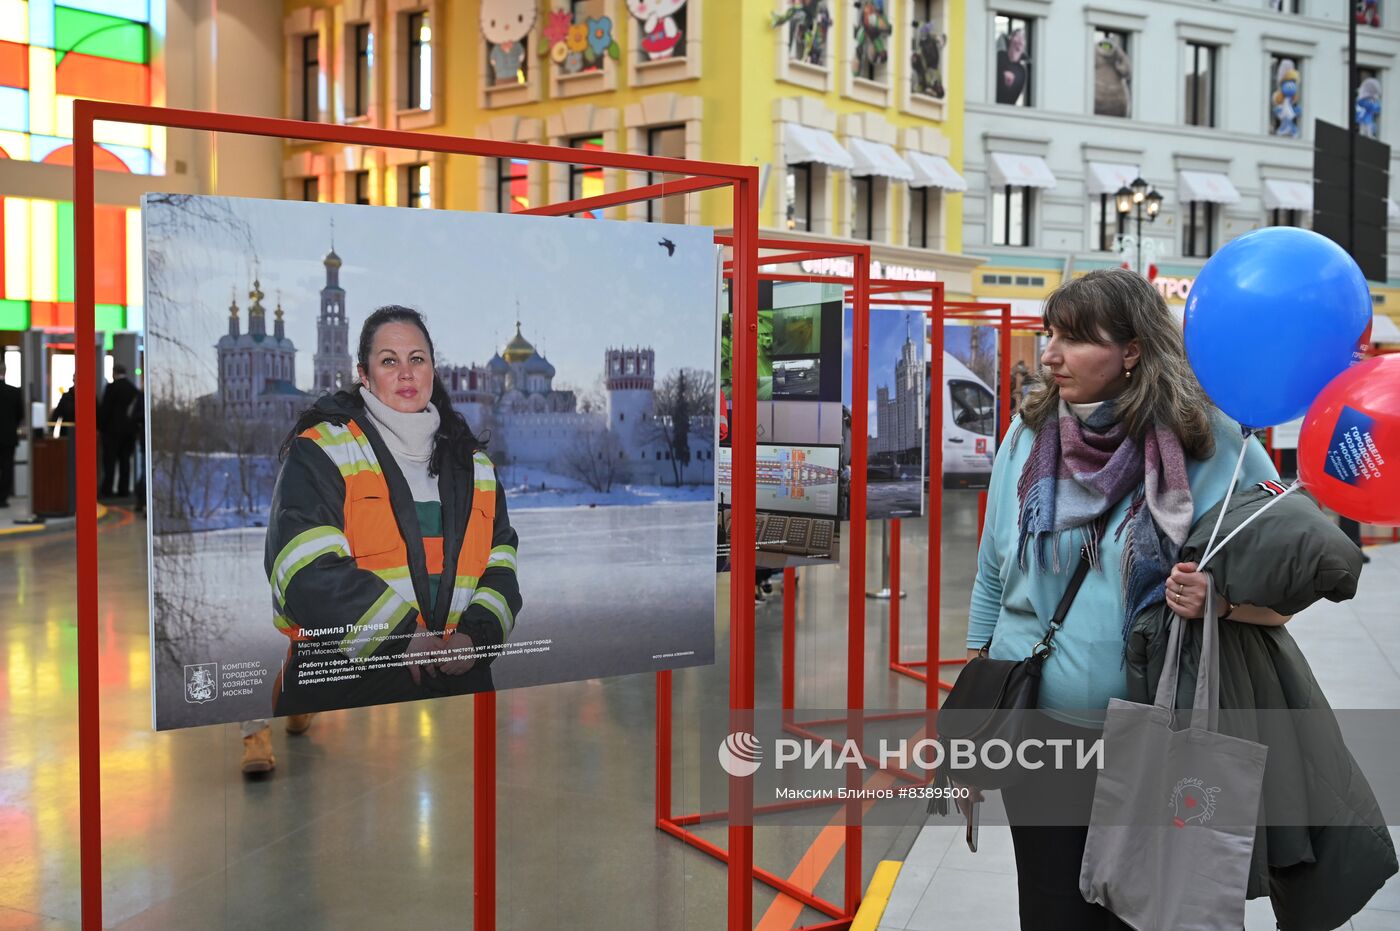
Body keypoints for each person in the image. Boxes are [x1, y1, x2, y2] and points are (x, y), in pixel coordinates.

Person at [964, 269, 1284, 930]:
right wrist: (979, 687)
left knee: (1144, 911)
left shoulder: (1211, 441)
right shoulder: (1028, 437)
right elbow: (994, 570)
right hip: (1041, 732)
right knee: (1052, 908)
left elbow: (1284, 584)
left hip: (1157, 735)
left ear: (1132, 349)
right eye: (1047, 334)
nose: (1048, 354)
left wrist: (1218, 601)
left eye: (1074, 338)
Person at [261, 305, 521, 725]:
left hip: (459, 697)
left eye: (416, 359)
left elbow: (501, 564)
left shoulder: (475, 466)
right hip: (350, 701)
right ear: (364, 375)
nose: (406, 373)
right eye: (389, 361)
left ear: (433, 370)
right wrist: (403, 641)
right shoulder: (325, 449)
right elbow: (304, 569)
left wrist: (475, 639)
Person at [97, 363, 139, 497]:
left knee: (109, 461)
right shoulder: (133, 389)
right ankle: (123, 490)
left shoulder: (111, 388)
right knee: (125, 461)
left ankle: (107, 489)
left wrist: (100, 427)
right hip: (129, 432)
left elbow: (105, 410)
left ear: (114, 373)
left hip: (111, 431)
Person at [0, 363, 21, 508]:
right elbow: (20, 414)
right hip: (8, 436)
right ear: (5, 372)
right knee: (7, 467)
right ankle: (2, 498)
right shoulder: (14, 392)